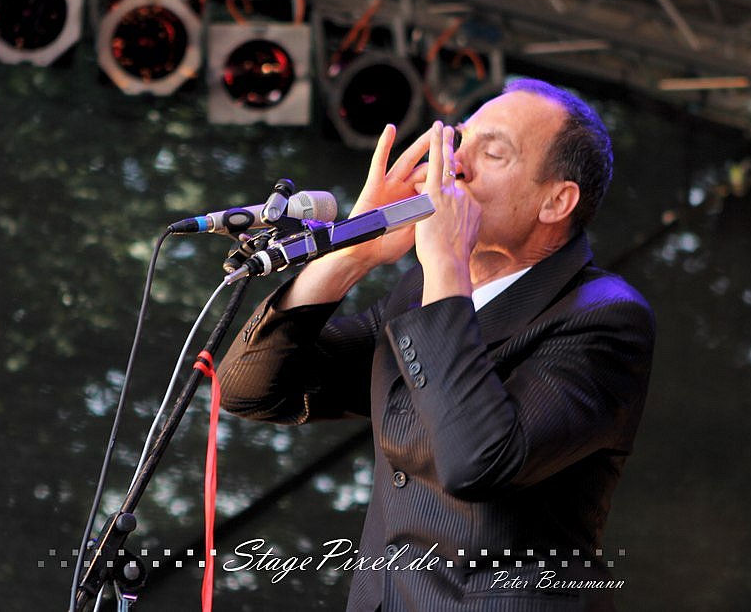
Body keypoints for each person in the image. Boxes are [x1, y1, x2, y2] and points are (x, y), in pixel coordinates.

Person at [217, 78, 655, 611]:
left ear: (555, 201)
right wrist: (354, 252)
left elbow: (477, 463)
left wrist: (446, 265)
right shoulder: (415, 295)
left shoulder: (603, 317)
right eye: (460, 141)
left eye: (492, 153)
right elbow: (250, 390)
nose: (455, 165)